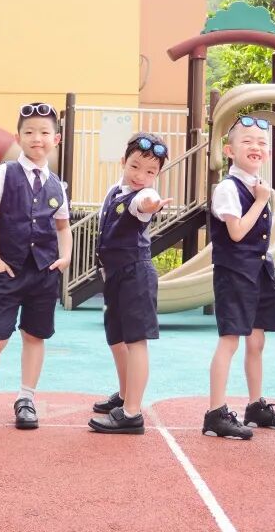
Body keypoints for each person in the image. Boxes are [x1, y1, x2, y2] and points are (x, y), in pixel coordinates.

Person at [0, 102, 72, 431]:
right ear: (18, 138)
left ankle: (26, 399)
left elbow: (63, 226)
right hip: (8, 271)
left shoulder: (57, 185)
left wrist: (65, 257)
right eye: (29, 132)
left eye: (44, 132)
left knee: (35, 337)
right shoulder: (5, 173)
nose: (37, 138)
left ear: (56, 139)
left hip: (44, 274)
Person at [202, 115, 275, 440]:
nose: (256, 146)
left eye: (261, 143)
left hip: (259, 271)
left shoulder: (258, 185)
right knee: (230, 340)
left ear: (268, 152)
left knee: (257, 340)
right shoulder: (228, 188)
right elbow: (237, 232)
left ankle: (255, 407)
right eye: (247, 141)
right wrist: (262, 200)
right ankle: (215, 413)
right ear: (229, 150)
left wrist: (262, 196)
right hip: (235, 272)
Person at [88, 133, 172, 435]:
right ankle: (124, 395)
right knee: (116, 338)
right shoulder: (115, 191)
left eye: (150, 172)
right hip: (115, 276)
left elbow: (144, 203)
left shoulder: (141, 196)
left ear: (157, 175)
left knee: (136, 341)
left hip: (136, 275)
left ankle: (132, 413)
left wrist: (152, 203)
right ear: (123, 161)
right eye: (135, 166)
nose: (140, 176)